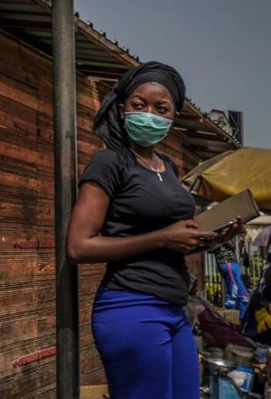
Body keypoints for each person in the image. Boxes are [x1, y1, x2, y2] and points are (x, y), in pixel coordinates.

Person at [66, 61, 238, 399]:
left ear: (172, 118)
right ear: (122, 108)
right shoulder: (110, 162)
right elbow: (78, 246)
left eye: (161, 108)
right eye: (139, 104)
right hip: (132, 307)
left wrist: (211, 238)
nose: (149, 113)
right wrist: (162, 236)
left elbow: (173, 242)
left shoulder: (169, 167)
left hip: (175, 309)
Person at [212, 240, 250, 319]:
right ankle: (232, 321)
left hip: (232, 264)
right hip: (227, 263)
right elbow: (232, 246)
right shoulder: (219, 234)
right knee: (233, 295)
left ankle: (242, 320)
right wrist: (226, 236)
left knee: (244, 296)